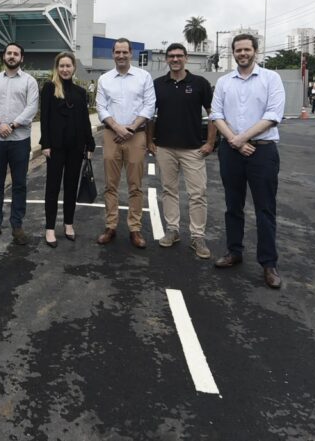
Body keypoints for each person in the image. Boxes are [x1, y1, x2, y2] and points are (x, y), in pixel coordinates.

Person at [209, 33, 285, 289]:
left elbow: (273, 115)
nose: (242, 53)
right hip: (231, 151)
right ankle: (234, 252)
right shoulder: (224, 82)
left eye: (246, 49)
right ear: (233, 52)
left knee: (265, 208)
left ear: (255, 51)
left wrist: (242, 138)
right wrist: (234, 140)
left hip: (262, 152)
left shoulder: (271, 79)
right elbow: (216, 113)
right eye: (238, 50)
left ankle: (268, 263)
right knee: (233, 205)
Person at [147, 43, 217, 258]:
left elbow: (213, 113)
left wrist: (210, 143)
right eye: (171, 56)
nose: (175, 59)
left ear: (186, 58)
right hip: (165, 148)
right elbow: (150, 115)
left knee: (197, 194)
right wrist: (150, 141)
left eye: (179, 56)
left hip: (193, 149)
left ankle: (197, 237)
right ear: (166, 59)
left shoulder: (200, 83)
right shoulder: (158, 84)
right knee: (169, 191)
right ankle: (173, 231)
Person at [95, 38, 156, 248]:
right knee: (110, 185)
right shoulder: (104, 79)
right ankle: (110, 226)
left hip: (136, 135)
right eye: (117, 52)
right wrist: (118, 127)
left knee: (135, 186)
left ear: (131, 53)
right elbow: (101, 108)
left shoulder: (144, 77)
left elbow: (149, 106)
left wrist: (130, 128)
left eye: (125, 52)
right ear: (113, 54)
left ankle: (135, 229)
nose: (121, 56)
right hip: (112, 135)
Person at [0, 43, 39, 245]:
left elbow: (32, 108)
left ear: (21, 58)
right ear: (3, 56)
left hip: (20, 140)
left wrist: (11, 125)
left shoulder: (30, 81)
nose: (12, 56)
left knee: (19, 184)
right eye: (9, 53)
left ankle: (17, 226)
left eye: (16, 54)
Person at [40, 52, 95, 247]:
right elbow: (44, 119)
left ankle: (69, 224)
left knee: (71, 187)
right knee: (52, 189)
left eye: (68, 66)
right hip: (55, 148)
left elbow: (85, 120)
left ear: (74, 68)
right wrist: (44, 144)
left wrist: (90, 143)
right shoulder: (49, 88)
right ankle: (49, 228)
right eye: (61, 66)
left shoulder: (80, 92)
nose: (65, 69)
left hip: (76, 147)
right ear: (57, 68)